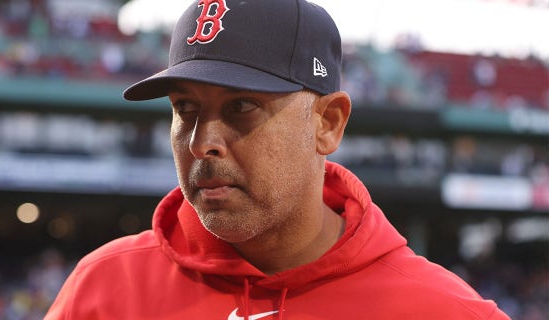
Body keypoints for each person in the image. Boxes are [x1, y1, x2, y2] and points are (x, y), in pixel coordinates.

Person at [45, 0, 510, 319]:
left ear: (327, 123)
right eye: (185, 109)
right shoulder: (102, 289)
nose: (201, 143)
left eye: (241, 107)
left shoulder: (445, 311)